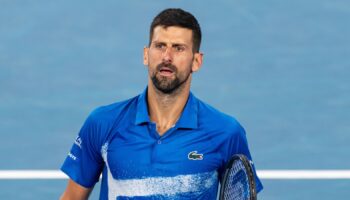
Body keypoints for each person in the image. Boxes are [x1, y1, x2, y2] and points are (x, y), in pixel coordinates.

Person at [60, 8, 263, 200]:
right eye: (160, 46)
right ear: (146, 55)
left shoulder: (226, 133)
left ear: (196, 61)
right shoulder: (103, 123)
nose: (167, 57)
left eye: (178, 48)